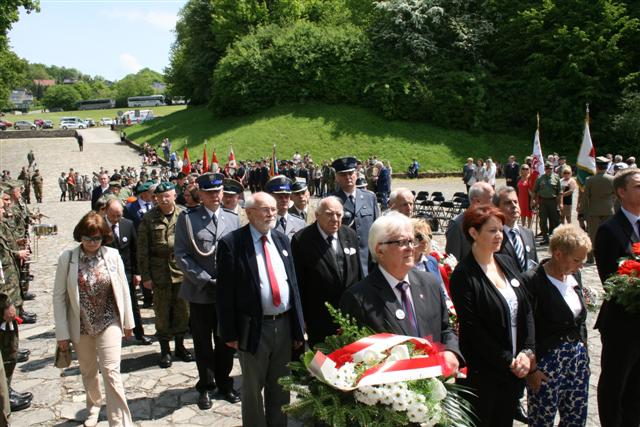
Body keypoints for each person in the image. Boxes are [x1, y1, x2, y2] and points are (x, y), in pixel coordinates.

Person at [216, 192, 305, 427]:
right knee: (253, 388)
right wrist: (229, 333)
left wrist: (298, 327)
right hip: (253, 327)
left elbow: (293, 285)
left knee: (281, 385)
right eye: (266, 209)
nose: (271, 214)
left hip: (283, 324)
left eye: (274, 209)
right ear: (249, 212)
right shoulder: (232, 244)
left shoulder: (282, 240)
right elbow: (224, 294)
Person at [340, 213, 462, 374]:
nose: (411, 248)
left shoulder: (430, 283)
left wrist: (451, 351)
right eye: (401, 242)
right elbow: (355, 358)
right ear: (380, 250)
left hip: (437, 380)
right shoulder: (358, 298)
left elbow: (446, 329)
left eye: (411, 241)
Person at [449, 205, 535, 427]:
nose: (499, 235)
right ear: (473, 233)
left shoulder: (506, 261)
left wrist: (527, 351)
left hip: (514, 371)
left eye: (501, 230)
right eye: (492, 230)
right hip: (485, 374)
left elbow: (526, 308)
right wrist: (508, 361)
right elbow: (473, 329)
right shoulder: (464, 275)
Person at [53, 212, 134, 426]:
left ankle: (120, 422)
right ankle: (94, 406)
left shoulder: (112, 255)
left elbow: (123, 289)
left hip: (109, 320)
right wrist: (62, 334)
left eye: (96, 238)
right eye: (87, 238)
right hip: (80, 324)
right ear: (80, 236)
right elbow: (59, 297)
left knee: (111, 371)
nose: (91, 242)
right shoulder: (67, 258)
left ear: (103, 237)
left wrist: (128, 322)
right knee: (88, 370)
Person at [174, 173, 241, 409]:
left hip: (226, 293)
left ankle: (224, 382)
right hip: (200, 292)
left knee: (225, 340)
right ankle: (206, 385)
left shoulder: (232, 218)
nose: (215, 196)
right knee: (203, 343)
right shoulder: (188, 219)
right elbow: (181, 254)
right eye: (209, 192)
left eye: (218, 191)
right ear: (200, 194)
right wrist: (205, 279)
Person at [522, 224, 591, 427]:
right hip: (547, 363)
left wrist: (584, 355)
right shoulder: (533, 280)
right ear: (558, 254)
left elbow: (579, 321)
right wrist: (532, 370)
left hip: (576, 360)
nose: (580, 266)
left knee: (575, 419)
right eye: (577, 260)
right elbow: (527, 328)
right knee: (542, 420)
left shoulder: (574, 275)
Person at [594, 168, 640, 427]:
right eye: (638, 186)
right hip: (622, 323)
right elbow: (611, 282)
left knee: (636, 387)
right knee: (615, 384)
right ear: (621, 192)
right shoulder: (609, 230)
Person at [291, 196, 362, 347]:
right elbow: (298, 283)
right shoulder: (302, 240)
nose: (335, 219)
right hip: (319, 318)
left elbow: (359, 274)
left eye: (339, 214)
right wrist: (301, 318)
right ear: (317, 215)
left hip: (350, 316)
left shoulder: (350, 235)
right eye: (329, 214)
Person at [137, 183, 193, 368]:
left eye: (167, 196)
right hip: (159, 272)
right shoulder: (148, 218)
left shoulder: (185, 215)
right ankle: (165, 350)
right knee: (161, 313)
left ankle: (180, 347)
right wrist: (146, 276)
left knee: (182, 311)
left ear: (174, 196)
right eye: (160, 196)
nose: (163, 199)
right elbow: (142, 249)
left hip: (181, 271)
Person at [103, 198, 151, 345]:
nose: (116, 219)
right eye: (113, 216)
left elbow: (135, 250)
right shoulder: (99, 226)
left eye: (119, 215)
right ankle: (110, 336)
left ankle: (139, 333)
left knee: (132, 303)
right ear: (106, 212)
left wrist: (137, 272)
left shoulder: (127, 224)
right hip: (107, 273)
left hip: (127, 272)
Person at [332, 157, 380, 275]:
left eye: (350, 173)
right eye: (343, 174)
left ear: (357, 174)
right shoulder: (331, 201)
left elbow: (378, 229)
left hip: (369, 260)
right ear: (337, 177)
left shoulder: (370, 197)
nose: (348, 177)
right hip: (345, 261)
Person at [445, 181, 494, 261]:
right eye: (491, 198)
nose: (495, 202)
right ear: (477, 201)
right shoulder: (457, 225)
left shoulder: (493, 221)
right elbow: (452, 261)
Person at [493, 186, 538, 273]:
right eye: (508, 203)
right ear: (497, 208)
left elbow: (535, 265)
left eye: (516, 202)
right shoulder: (493, 237)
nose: (514, 205)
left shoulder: (528, 233)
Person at [583, 156, 615, 263]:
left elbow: (585, 197)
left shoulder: (590, 180)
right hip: (608, 210)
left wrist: (583, 212)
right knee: (608, 234)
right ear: (606, 167)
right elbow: (616, 195)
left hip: (594, 211)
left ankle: (590, 258)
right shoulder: (612, 179)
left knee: (592, 235)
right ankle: (607, 256)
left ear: (597, 167)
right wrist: (610, 203)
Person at [265, 175, 306, 240]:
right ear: (270, 197)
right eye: (280, 196)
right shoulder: (264, 224)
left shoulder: (300, 223)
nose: (284, 200)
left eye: (287, 196)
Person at [533, 161, 563, 244]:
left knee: (554, 220)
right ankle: (545, 238)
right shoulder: (540, 178)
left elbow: (560, 192)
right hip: (542, 201)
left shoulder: (556, 177)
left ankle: (554, 238)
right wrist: (533, 201)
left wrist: (560, 203)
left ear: (552, 169)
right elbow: (535, 191)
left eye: (550, 168)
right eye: (547, 168)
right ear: (545, 169)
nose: (548, 170)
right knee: (543, 221)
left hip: (553, 201)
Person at [516, 164, 533, 229]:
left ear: (529, 170)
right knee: (522, 214)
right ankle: (523, 228)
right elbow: (516, 189)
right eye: (523, 168)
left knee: (529, 214)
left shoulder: (530, 178)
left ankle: (529, 228)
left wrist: (533, 199)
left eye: (527, 169)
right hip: (520, 199)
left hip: (528, 199)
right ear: (521, 170)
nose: (525, 170)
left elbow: (533, 190)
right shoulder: (518, 178)